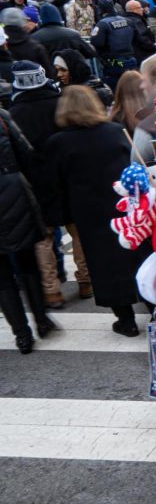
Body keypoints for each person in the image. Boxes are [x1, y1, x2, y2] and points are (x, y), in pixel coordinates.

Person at [44, 86, 149, 336]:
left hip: (88, 212)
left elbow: (54, 183)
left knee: (104, 266)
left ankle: (126, 320)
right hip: (123, 204)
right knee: (138, 256)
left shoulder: (58, 142)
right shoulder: (114, 131)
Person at [9, 60, 67, 309]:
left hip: (34, 177)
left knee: (43, 235)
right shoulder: (58, 102)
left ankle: (52, 290)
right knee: (76, 228)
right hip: (63, 173)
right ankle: (86, 280)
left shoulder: (14, 112)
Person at [0, 101, 56, 353]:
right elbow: (26, 152)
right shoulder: (2, 116)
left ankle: (21, 335)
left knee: (1, 276)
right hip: (12, 188)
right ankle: (41, 320)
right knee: (26, 261)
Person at [90, 0, 138, 91]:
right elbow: (136, 38)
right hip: (131, 60)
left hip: (114, 62)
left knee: (116, 90)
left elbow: (96, 42)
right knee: (132, 89)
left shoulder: (103, 24)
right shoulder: (128, 21)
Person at [3, 9, 50, 74]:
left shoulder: (2, 45)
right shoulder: (35, 46)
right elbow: (48, 72)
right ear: (22, 21)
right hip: (34, 82)